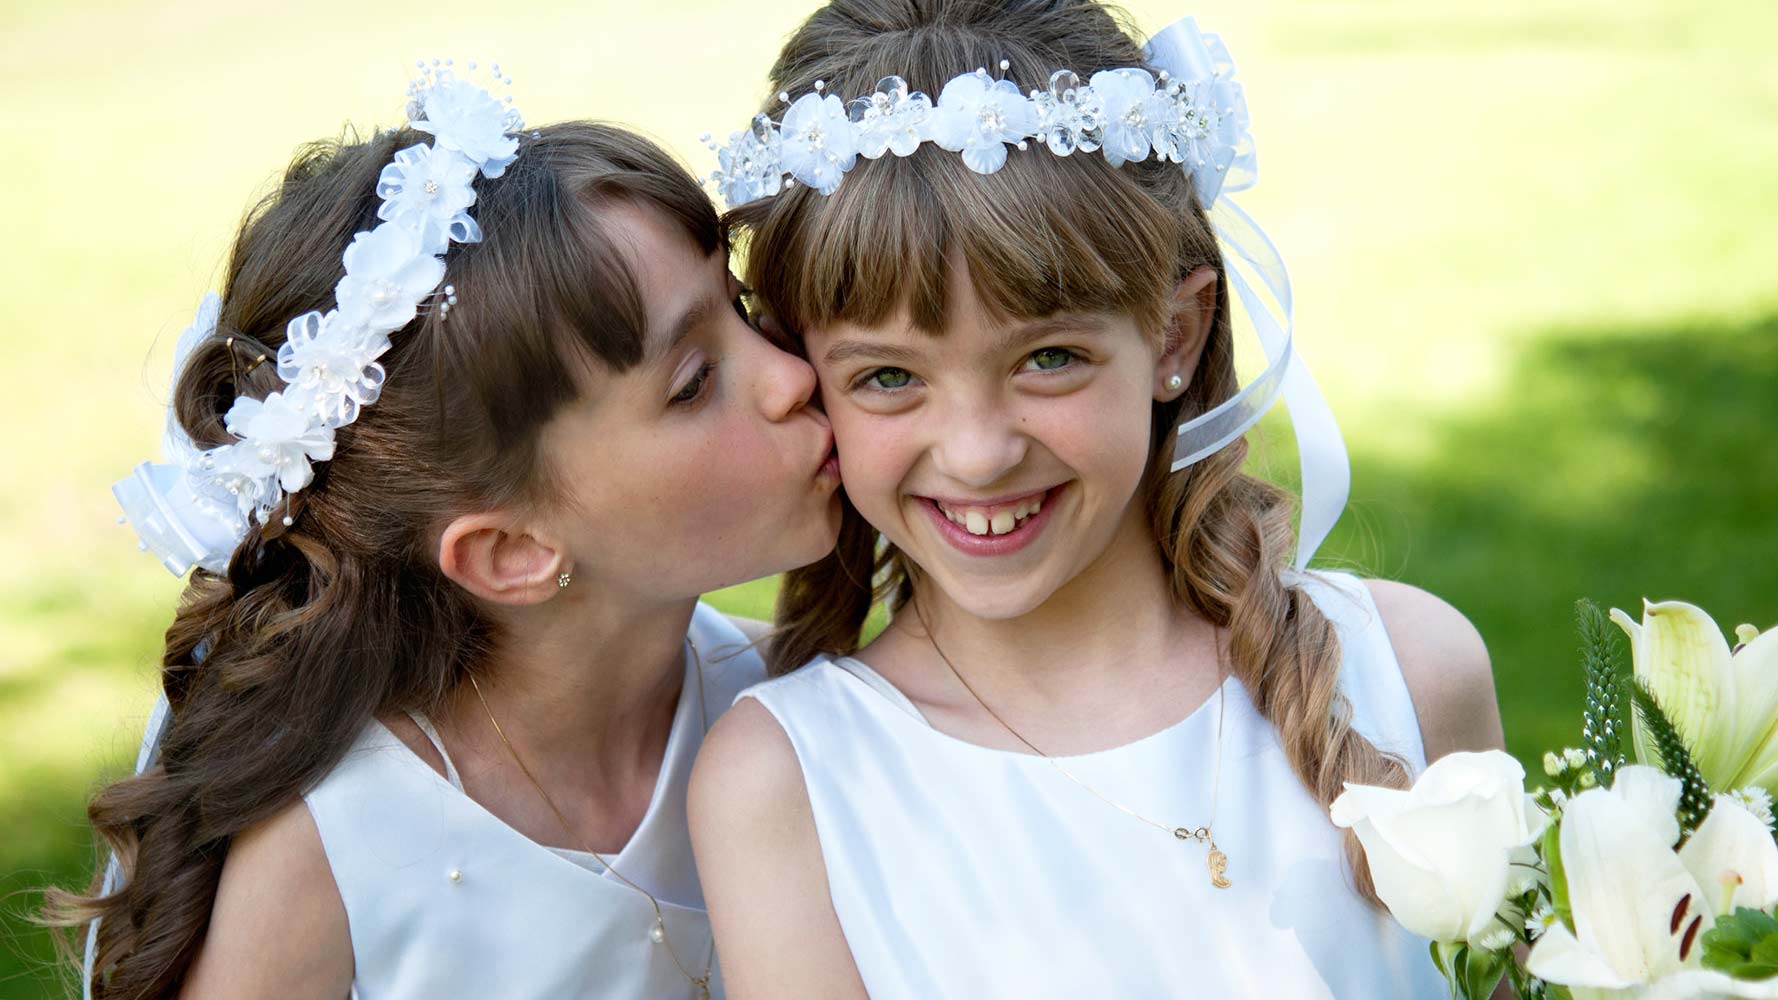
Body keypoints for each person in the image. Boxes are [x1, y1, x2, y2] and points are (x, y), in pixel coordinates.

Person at [689, 2, 1504, 996]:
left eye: (1048, 358)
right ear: (807, 369)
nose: (980, 453)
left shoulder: (1410, 674)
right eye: (890, 377)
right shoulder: (787, 788)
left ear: (1174, 335)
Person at [48, 65, 839, 999]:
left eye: (739, 309)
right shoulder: (330, 854)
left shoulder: (797, 706)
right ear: (512, 552)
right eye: (694, 383)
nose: (791, 374)